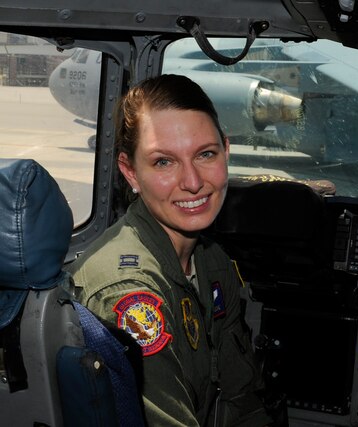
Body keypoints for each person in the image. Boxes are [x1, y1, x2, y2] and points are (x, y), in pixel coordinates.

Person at [68, 74, 271, 426]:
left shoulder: (211, 260)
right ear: (130, 172)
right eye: (164, 162)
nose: (193, 182)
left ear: (226, 150)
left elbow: (242, 396)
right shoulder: (129, 292)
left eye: (206, 154)